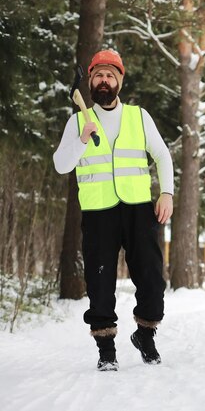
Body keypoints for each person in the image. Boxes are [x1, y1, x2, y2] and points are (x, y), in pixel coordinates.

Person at [53, 49, 174, 371]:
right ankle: (106, 347)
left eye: (110, 75)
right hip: (98, 213)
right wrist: (80, 140)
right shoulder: (78, 120)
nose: (103, 80)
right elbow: (61, 165)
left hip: (138, 210)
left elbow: (162, 156)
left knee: (151, 279)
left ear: (119, 80)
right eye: (98, 75)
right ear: (90, 81)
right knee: (100, 283)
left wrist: (166, 193)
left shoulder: (139, 116)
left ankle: (145, 334)